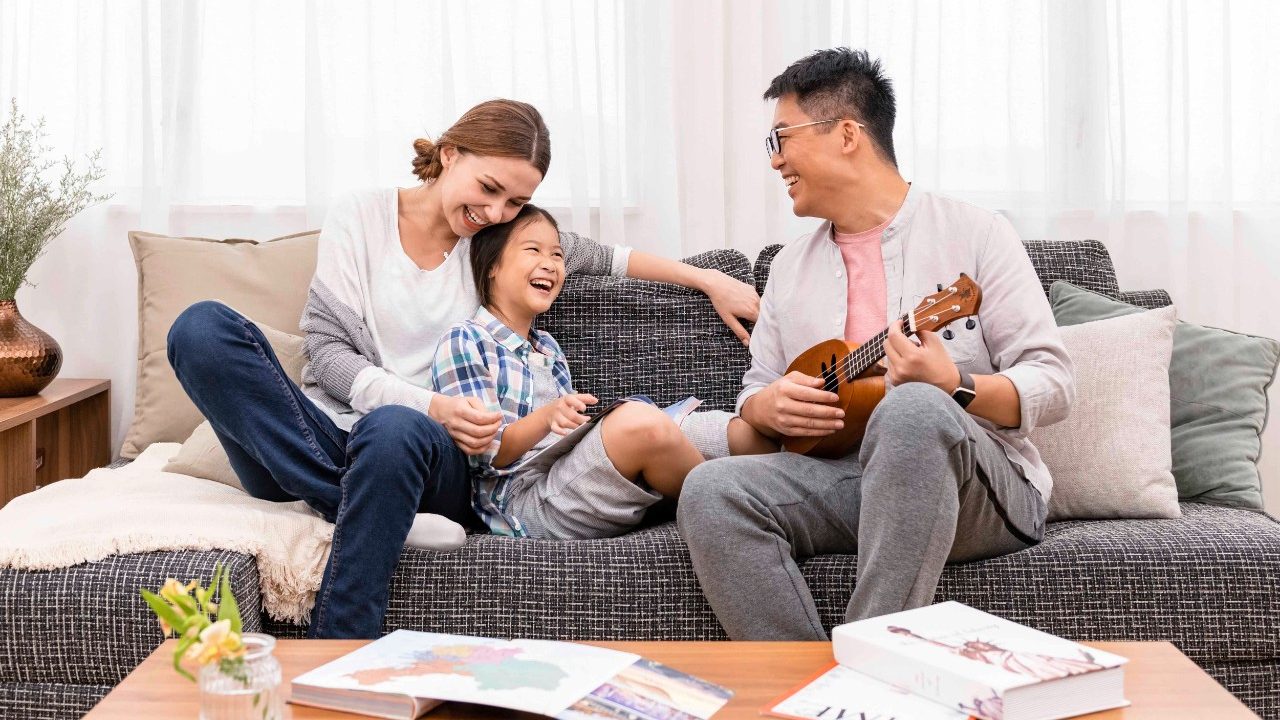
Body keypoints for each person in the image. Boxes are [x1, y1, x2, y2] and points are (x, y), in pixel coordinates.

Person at [167, 99, 759, 638]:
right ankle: (371, 506)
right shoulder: (362, 216)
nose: (496, 211)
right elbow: (328, 353)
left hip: (427, 458)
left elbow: (610, 258)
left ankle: (341, 639)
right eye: (489, 187)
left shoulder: (493, 240)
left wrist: (708, 278)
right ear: (450, 154)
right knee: (200, 330)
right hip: (310, 443)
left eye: (515, 203)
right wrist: (433, 405)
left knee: (394, 429)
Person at [677, 49, 1075, 640]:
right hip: (850, 480)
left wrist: (955, 386)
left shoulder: (977, 233)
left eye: (782, 138)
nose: (776, 159)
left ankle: (872, 660)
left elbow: (1055, 384)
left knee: (913, 409)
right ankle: (803, 683)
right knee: (710, 488)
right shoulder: (789, 267)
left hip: (977, 486)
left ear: (846, 135)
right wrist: (765, 406)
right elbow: (756, 388)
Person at [431, 203, 776, 540]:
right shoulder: (465, 339)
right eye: (533, 250)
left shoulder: (547, 346)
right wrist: (548, 417)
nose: (549, 263)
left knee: (723, 430)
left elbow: (564, 438)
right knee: (639, 423)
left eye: (557, 255)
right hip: (523, 503)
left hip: (566, 469)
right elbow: (485, 453)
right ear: (491, 265)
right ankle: (735, 513)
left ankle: (795, 492)